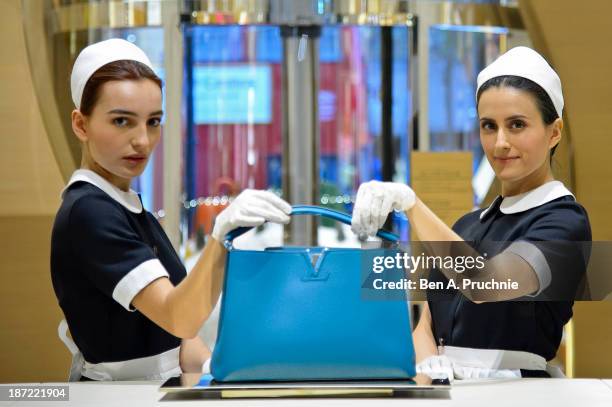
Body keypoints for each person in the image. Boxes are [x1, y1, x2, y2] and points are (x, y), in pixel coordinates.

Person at [50, 39, 292, 381]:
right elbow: (178, 317)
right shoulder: (89, 213)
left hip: (160, 389)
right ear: (81, 124)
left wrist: (218, 374)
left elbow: (181, 340)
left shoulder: (132, 211)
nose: (142, 140)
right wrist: (220, 236)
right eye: (122, 121)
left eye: (153, 122)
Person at [351, 47, 591, 379]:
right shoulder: (465, 225)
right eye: (488, 126)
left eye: (517, 125)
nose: (500, 142)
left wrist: (412, 205)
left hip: (520, 394)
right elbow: (427, 324)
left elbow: (486, 282)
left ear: (555, 132)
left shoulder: (564, 222)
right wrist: (427, 371)